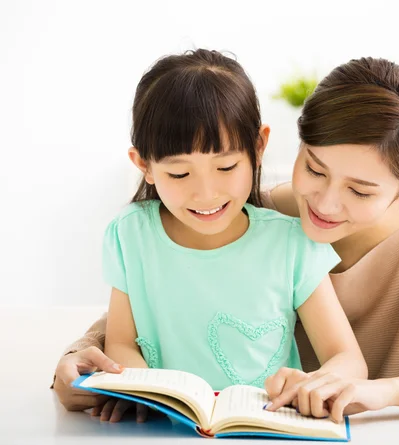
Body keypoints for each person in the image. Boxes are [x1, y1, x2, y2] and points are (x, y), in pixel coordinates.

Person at [53, 55, 399, 424]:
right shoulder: (248, 210)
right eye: (314, 168)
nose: (326, 204)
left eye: (360, 189)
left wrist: (385, 391)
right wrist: (77, 362)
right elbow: (151, 307)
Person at [62, 48, 367, 423]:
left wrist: (315, 383)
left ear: (258, 147)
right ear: (144, 165)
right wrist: (137, 390)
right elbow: (122, 342)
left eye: (225, 166)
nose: (205, 194)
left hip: (265, 426)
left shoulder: (291, 244)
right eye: (179, 174)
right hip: (163, 427)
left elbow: (348, 359)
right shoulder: (131, 235)